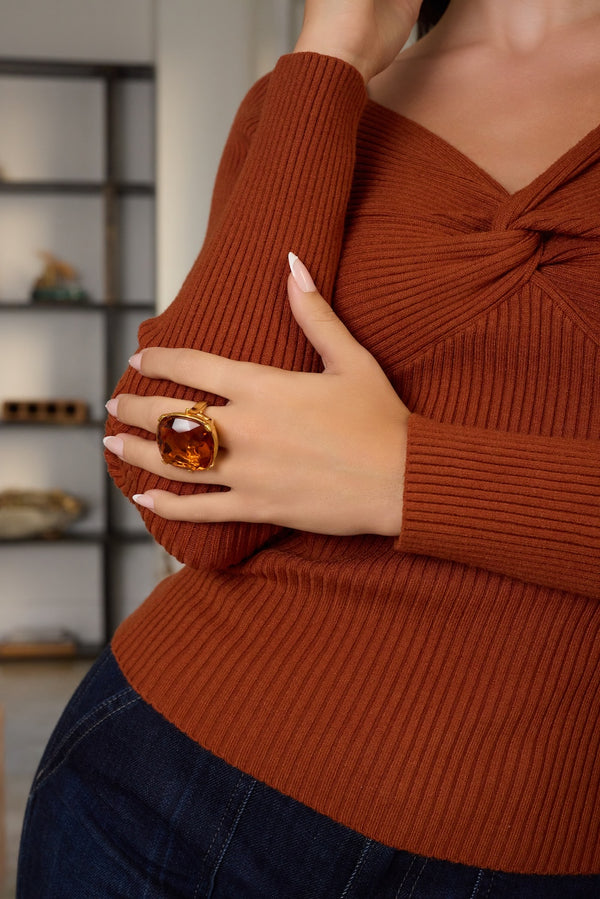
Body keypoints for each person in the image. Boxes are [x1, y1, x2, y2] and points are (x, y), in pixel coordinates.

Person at [17, 0, 600, 895]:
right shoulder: (314, 96)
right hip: (155, 798)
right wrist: (333, 48)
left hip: (529, 849)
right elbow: (175, 471)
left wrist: (401, 476)